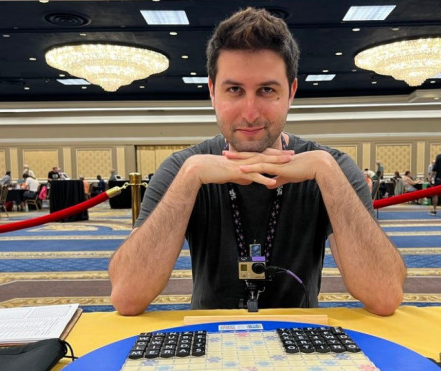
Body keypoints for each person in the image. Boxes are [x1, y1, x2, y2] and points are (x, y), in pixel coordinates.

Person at [109, 7, 405, 317]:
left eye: (266, 90)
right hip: (210, 344)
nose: (250, 113)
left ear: (290, 92)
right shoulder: (182, 167)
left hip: (301, 344)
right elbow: (127, 297)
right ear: (212, 92)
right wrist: (190, 178)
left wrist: (327, 174)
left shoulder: (334, 167)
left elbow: (384, 296)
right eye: (234, 90)